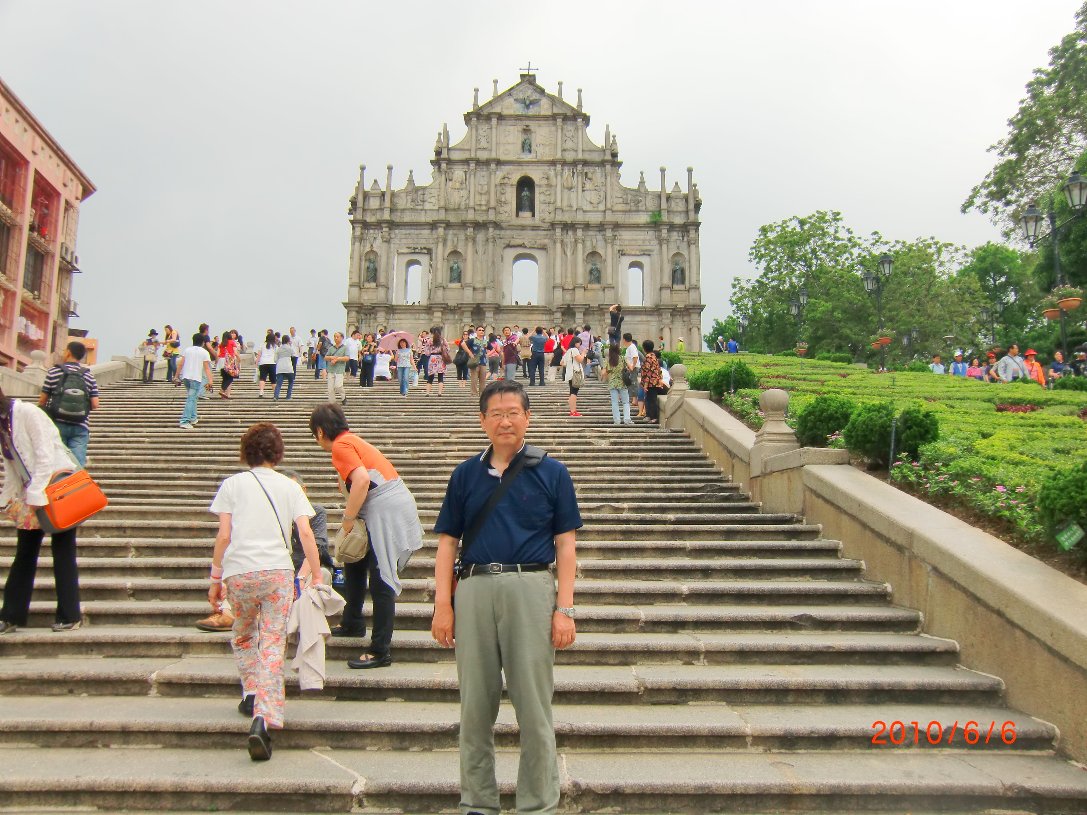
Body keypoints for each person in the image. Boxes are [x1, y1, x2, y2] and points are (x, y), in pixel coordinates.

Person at [431, 379, 580, 815]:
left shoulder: (552, 472)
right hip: (475, 588)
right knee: (475, 706)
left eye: (513, 412)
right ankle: (477, 801)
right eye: (496, 414)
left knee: (534, 705)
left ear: (528, 417)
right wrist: (443, 605)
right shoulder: (465, 474)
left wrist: (565, 608)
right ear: (482, 421)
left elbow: (566, 544)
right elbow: (447, 543)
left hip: (530, 587)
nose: (505, 421)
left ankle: (538, 804)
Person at [208, 423, 324, 760]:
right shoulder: (291, 487)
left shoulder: (232, 485)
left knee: (244, 634)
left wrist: (215, 579)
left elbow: (224, 535)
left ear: (246, 452)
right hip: (277, 571)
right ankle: (264, 716)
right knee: (273, 642)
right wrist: (316, 575)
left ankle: (250, 691)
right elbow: (306, 533)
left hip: (240, 572)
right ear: (278, 453)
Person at [309, 404, 423, 669]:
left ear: (320, 431)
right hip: (385, 507)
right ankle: (352, 621)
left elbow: (361, 480)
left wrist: (348, 520)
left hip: (385, 511)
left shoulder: (341, 445)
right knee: (355, 560)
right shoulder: (352, 441)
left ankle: (380, 650)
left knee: (382, 577)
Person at [197, 467, 331, 633]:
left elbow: (316, 544)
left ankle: (273, 617)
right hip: (274, 567)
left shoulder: (316, 512)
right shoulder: (270, 511)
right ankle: (228, 614)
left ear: (303, 490)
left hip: (302, 568)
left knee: (322, 574)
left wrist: (302, 577)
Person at [0, 384, 88, 635]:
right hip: (32, 494)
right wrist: (8, 498)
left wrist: (37, 493)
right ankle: (11, 616)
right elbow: (12, 465)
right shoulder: (3, 425)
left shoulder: (27, 413)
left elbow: (45, 454)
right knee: (24, 553)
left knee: (63, 551)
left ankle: (70, 615)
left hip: (57, 491)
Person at [39, 340, 100, 467]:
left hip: (57, 423)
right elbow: (95, 404)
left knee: (56, 463)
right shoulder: (89, 376)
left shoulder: (54, 371)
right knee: (77, 464)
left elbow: (42, 400)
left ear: (68, 352)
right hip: (80, 425)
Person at [178, 339, 214, 430]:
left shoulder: (187, 350)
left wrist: (176, 376)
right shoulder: (204, 352)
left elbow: (181, 364)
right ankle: (184, 421)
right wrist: (210, 381)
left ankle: (193, 418)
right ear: (203, 343)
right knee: (191, 399)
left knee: (193, 397)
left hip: (186, 378)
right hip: (195, 378)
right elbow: (207, 368)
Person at [604, 342, 633, 425]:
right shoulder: (623, 358)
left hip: (612, 383)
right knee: (625, 402)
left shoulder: (609, 360)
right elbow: (631, 368)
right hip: (622, 382)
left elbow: (605, 372)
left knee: (614, 402)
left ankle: (617, 420)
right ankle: (627, 419)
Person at [640, 339, 667, 425]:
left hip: (651, 382)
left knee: (651, 400)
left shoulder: (648, 357)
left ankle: (653, 417)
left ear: (644, 348)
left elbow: (648, 372)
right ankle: (649, 416)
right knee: (650, 399)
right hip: (655, 381)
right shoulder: (654, 356)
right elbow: (658, 370)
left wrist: (645, 385)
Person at [561, 335, 586, 417]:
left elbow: (562, 363)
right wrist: (583, 353)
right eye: (579, 343)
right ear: (576, 343)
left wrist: (569, 365)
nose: (579, 345)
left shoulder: (568, 351)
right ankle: (573, 411)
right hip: (575, 374)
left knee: (572, 392)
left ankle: (572, 411)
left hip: (570, 374)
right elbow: (580, 360)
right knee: (574, 393)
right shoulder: (574, 350)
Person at [325, 331, 350, 405]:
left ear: (342, 338)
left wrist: (337, 359)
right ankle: (332, 403)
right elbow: (325, 357)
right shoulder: (331, 348)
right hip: (331, 369)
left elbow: (347, 358)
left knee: (338, 386)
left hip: (339, 370)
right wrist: (331, 357)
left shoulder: (345, 348)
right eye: (335, 337)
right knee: (330, 388)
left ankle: (343, 396)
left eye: (337, 337)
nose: (336, 338)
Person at [424, 327, 450, 396]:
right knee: (440, 376)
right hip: (441, 358)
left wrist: (430, 353)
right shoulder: (443, 340)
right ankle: (439, 392)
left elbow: (426, 351)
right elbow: (448, 349)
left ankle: (427, 392)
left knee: (430, 376)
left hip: (433, 358)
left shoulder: (430, 340)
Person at [273, 332, 295, 401]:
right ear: (288, 341)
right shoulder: (290, 348)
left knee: (279, 383)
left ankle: (276, 396)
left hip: (280, 368)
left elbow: (275, 360)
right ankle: (288, 396)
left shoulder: (278, 349)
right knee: (291, 381)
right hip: (288, 367)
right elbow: (294, 355)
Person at [219, 329, 241, 398]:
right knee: (230, 378)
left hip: (221, 361)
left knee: (225, 378)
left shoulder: (221, 343)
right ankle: (222, 390)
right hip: (229, 361)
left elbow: (218, 353)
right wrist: (239, 358)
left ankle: (223, 394)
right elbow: (235, 352)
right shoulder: (232, 342)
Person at [254, 331, 277, 398]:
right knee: (273, 379)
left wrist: (257, 362)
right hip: (272, 363)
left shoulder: (262, 344)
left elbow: (259, 354)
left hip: (263, 363)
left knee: (262, 378)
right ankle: (275, 393)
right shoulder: (275, 346)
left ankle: (261, 391)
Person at [468, 325, 489, 397]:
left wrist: (488, 354)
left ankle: (482, 393)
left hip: (483, 362)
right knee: (474, 379)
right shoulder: (472, 340)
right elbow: (463, 344)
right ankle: (474, 393)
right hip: (475, 362)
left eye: (483, 330)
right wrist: (470, 353)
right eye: (479, 330)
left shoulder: (485, 341)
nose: (481, 331)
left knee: (483, 379)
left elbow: (493, 348)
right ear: (476, 332)